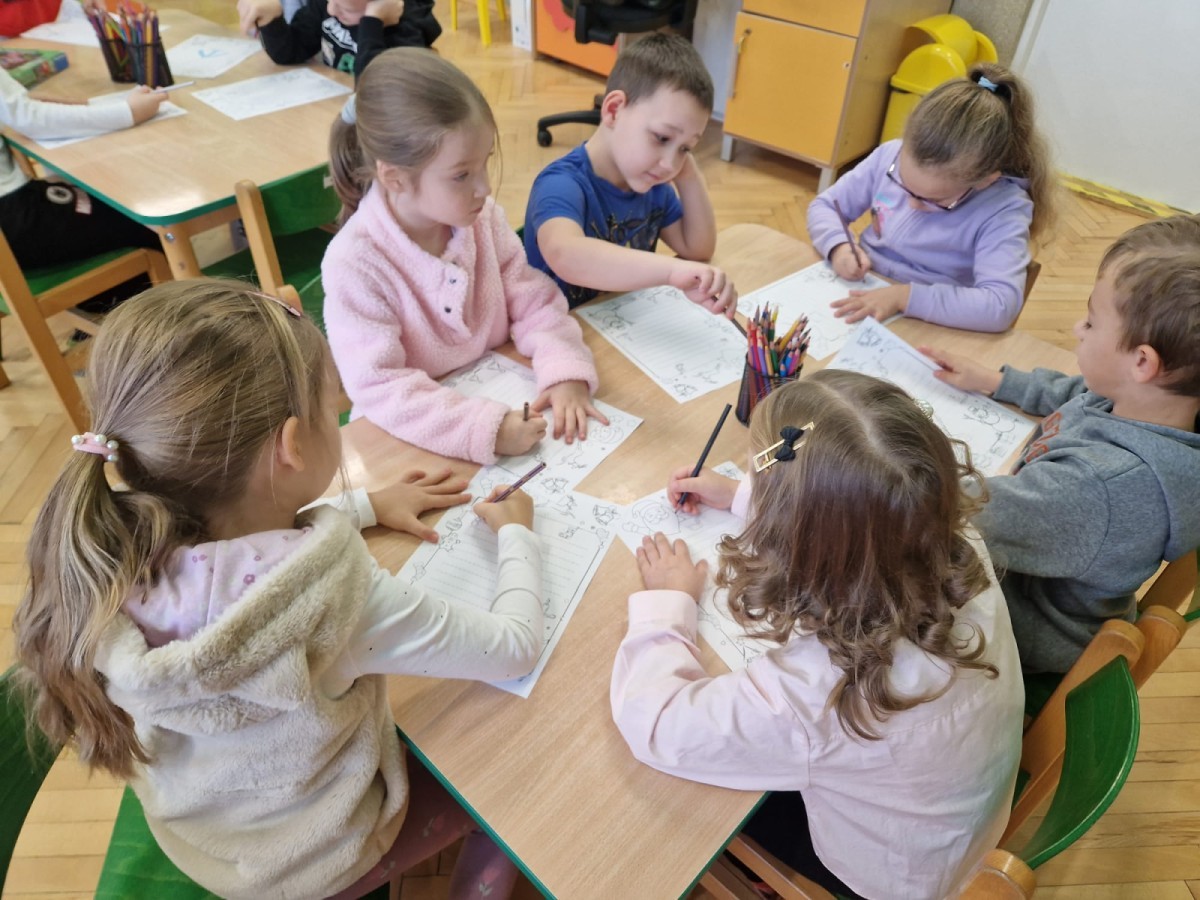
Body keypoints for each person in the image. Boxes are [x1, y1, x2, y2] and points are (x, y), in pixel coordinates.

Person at [13, 279, 543, 900]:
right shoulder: (335, 595)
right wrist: (517, 534)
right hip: (316, 859)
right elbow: (515, 647)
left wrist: (365, 505)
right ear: (291, 446)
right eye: (330, 406)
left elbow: (237, 554)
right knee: (510, 786)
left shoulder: (106, 545)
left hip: (203, 830)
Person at [610, 369, 1024, 899]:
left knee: (696, 811)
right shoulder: (950, 541)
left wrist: (667, 603)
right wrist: (742, 495)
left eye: (763, 472)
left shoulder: (817, 692)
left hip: (894, 874)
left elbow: (656, 724)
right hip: (963, 821)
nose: (756, 475)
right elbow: (863, 521)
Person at [923, 214, 1200, 673]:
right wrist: (995, 381)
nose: (1076, 328)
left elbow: (955, 512)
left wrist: (887, 465)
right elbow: (1080, 394)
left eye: (1091, 322)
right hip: (1025, 561)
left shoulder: (1098, 487)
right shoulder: (1150, 405)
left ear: (1142, 362)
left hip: (1022, 636)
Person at [323, 48, 604, 465]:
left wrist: (565, 370)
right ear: (395, 178)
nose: (485, 188)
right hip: (406, 451)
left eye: (485, 164)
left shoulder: (482, 219)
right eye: (461, 175)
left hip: (501, 408)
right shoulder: (354, 263)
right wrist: (484, 429)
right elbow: (380, 386)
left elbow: (534, 302)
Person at [807, 63, 1055, 333]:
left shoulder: (1003, 208)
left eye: (936, 200)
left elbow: (999, 305)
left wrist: (904, 297)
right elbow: (826, 206)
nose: (912, 204)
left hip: (930, 322)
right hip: (862, 290)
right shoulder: (889, 155)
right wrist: (839, 247)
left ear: (986, 180)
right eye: (902, 184)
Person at [523, 33, 735, 315]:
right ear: (613, 110)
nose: (670, 164)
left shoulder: (653, 186)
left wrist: (688, 174)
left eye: (685, 148)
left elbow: (698, 248)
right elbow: (565, 254)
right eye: (662, 138)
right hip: (554, 330)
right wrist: (671, 271)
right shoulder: (561, 184)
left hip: (620, 325)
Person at [0, 69, 164, 270]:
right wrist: (128, 112)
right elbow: (29, 119)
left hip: (12, 224)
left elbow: (18, 110)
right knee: (141, 214)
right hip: (16, 223)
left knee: (92, 190)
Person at [237, 0, 441, 79]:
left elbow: (376, 96)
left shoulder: (404, 29)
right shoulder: (331, 3)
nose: (331, 10)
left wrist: (372, 22)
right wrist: (271, 19)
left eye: (346, 9)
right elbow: (291, 52)